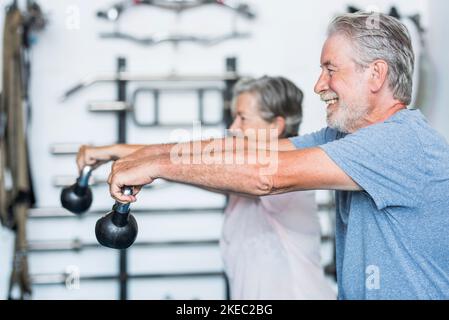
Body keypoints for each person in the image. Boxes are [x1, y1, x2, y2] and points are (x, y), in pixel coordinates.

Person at [103, 12, 449, 300]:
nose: (318, 85)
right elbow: (249, 148)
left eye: (331, 69)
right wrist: (149, 155)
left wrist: (158, 165)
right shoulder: (346, 138)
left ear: (375, 74)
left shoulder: (400, 142)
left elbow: (267, 175)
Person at [77, 76, 335, 300]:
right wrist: (116, 154)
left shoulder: (282, 178)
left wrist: (136, 161)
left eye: (243, 118)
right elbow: (194, 163)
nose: (233, 128)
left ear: (275, 127)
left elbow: (199, 161)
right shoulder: (241, 179)